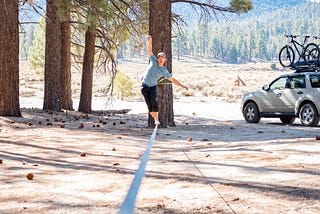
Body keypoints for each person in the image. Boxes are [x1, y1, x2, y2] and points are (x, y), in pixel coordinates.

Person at [140, 35, 188, 125]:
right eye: (159, 58)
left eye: (162, 58)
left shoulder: (164, 71)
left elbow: (172, 80)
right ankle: (155, 119)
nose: (160, 59)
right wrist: (150, 41)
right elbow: (149, 50)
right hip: (144, 86)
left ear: (165, 59)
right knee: (149, 105)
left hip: (152, 86)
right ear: (157, 59)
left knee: (154, 102)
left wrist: (182, 85)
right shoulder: (153, 60)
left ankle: (156, 120)